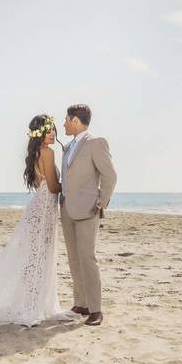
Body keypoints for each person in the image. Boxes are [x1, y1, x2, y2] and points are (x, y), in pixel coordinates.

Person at [0, 114, 75, 326]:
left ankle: (32, 303)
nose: (53, 134)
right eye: (48, 131)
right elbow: (52, 186)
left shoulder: (36, 153)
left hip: (41, 210)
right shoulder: (47, 153)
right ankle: (32, 306)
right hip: (43, 212)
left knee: (35, 259)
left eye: (54, 131)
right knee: (39, 259)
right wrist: (70, 184)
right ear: (39, 133)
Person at [58, 104, 117, 327]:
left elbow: (109, 175)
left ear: (75, 120)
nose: (63, 123)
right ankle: (80, 303)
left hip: (88, 209)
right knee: (73, 258)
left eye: (66, 119)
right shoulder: (66, 146)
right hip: (66, 209)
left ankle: (95, 309)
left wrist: (101, 202)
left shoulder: (96, 143)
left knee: (88, 258)